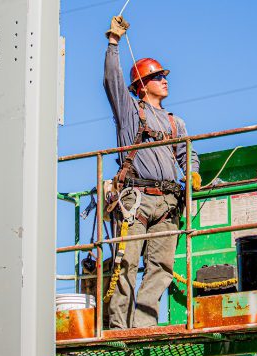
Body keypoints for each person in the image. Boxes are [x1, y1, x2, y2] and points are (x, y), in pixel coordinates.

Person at [104, 16, 201, 329]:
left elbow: (188, 153)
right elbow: (112, 82)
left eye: (163, 76)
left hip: (168, 202)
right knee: (127, 263)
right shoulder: (130, 111)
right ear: (142, 85)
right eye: (157, 76)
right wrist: (114, 42)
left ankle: (144, 324)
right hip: (136, 199)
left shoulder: (176, 123)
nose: (164, 80)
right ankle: (119, 325)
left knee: (161, 266)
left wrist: (193, 173)